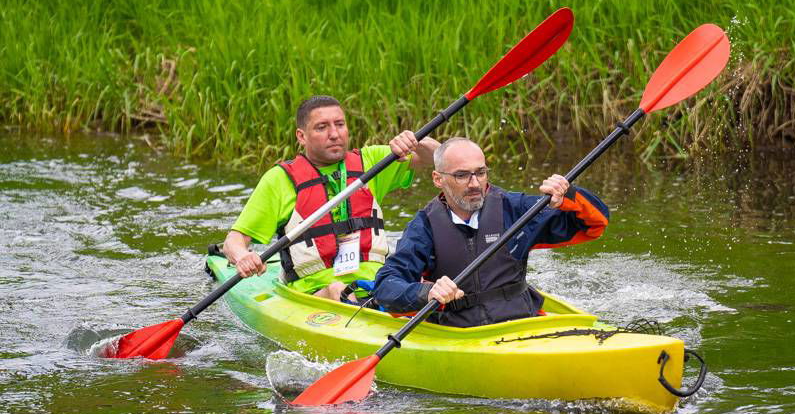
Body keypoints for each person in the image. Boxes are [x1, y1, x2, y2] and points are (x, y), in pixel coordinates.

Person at [373, 137, 610, 327]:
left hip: (523, 323)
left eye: (481, 172)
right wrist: (426, 292)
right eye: (462, 175)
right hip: (460, 332)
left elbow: (594, 224)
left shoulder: (513, 208)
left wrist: (568, 195)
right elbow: (386, 286)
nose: (475, 183)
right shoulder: (424, 227)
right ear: (438, 179)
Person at [223, 95, 438, 301]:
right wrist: (243, 257)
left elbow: (439, 160)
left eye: (340, 124)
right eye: (322, 127)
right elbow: (234, 242)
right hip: (314, 294)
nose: (334, 134)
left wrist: (417, 141)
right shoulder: (280, 179)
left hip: (378, 285)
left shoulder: (372, 161)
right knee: (339, 290)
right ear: (301, 136)